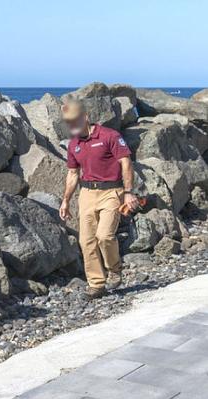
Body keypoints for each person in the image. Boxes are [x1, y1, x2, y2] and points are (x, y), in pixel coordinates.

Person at [59, 99, 141, 300]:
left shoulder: (109, 136)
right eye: (68, 122)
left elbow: (126, 163)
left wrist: (129, 192)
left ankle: (114, 269)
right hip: (86, 194)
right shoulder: (73, 144)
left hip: (111, 192)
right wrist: (66, 200)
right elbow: (72, 174)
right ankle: (97, 285)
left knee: (104, 236)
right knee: (86, 241)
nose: (72, 125)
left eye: (74, 121)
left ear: (85, 117)